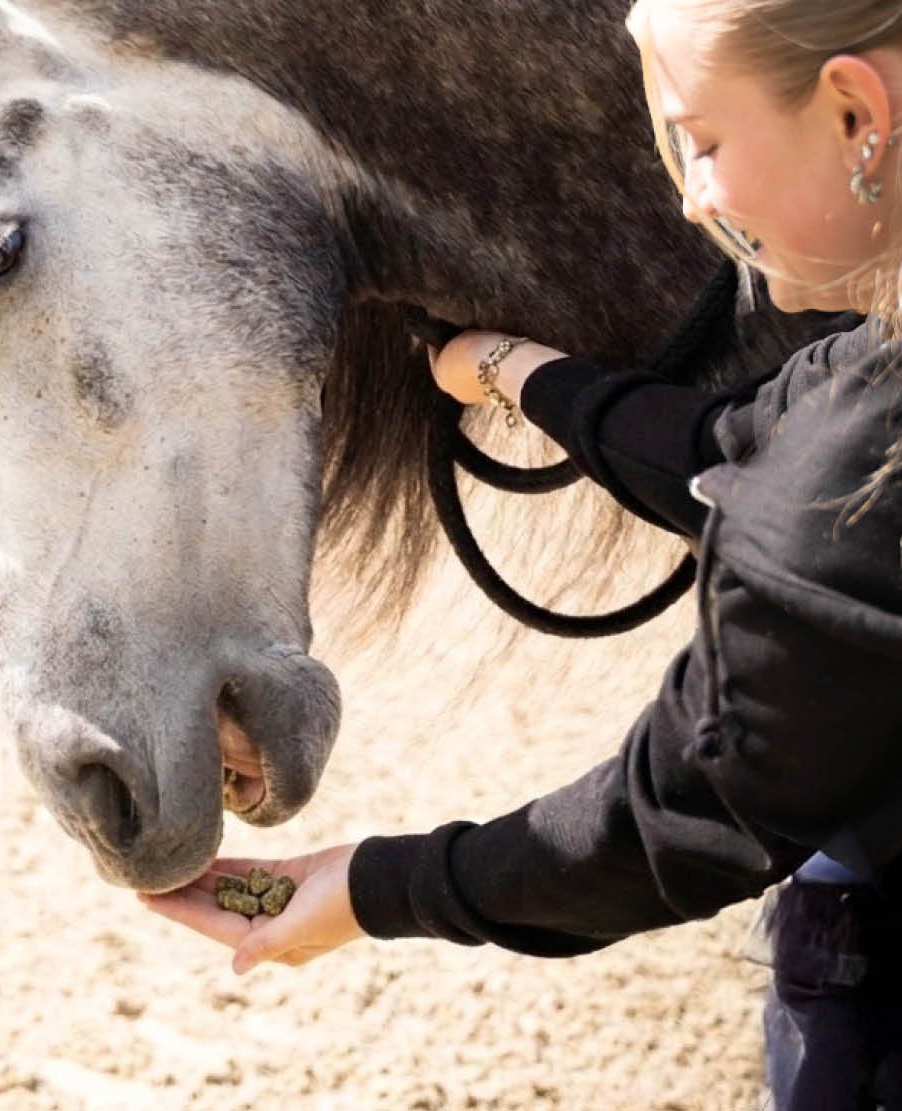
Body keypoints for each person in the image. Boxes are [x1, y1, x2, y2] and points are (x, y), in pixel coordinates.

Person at [141, 2, 902, 1106]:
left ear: (854, 111)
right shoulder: (859, 384)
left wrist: (367, 887)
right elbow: (722, 446)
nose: (691, 195)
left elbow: (668, 826)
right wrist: (511, 370)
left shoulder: (845, 486)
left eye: (704, 138)